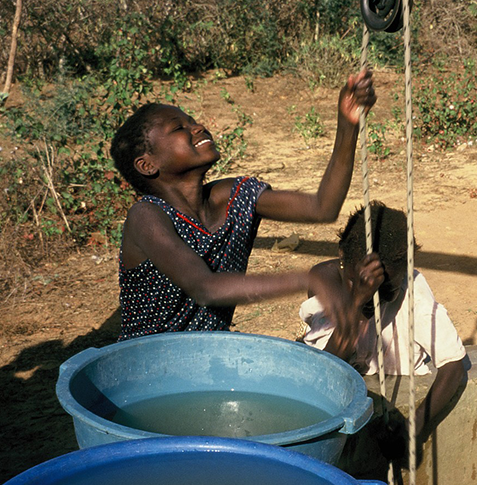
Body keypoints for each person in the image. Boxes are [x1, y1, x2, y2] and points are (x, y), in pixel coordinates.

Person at [109, 70, 376, 341]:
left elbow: (323, 207)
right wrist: (308, 279)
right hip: (146, 366)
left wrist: (348, 124)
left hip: (210, 356)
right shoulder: (146, 216)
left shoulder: (234, 196)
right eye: (179, 128)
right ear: (147, 164)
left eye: (192, 121)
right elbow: (206, 288)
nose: (197, 127)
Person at [299, 202, 468, 436]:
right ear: (342, 255)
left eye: (386, 291)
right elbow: (324, 371)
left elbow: (454, 366)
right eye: (357, 284)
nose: (374, 299)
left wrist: (414, 428)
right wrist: (356, 303)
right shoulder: (325, 280)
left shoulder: (412, 292)